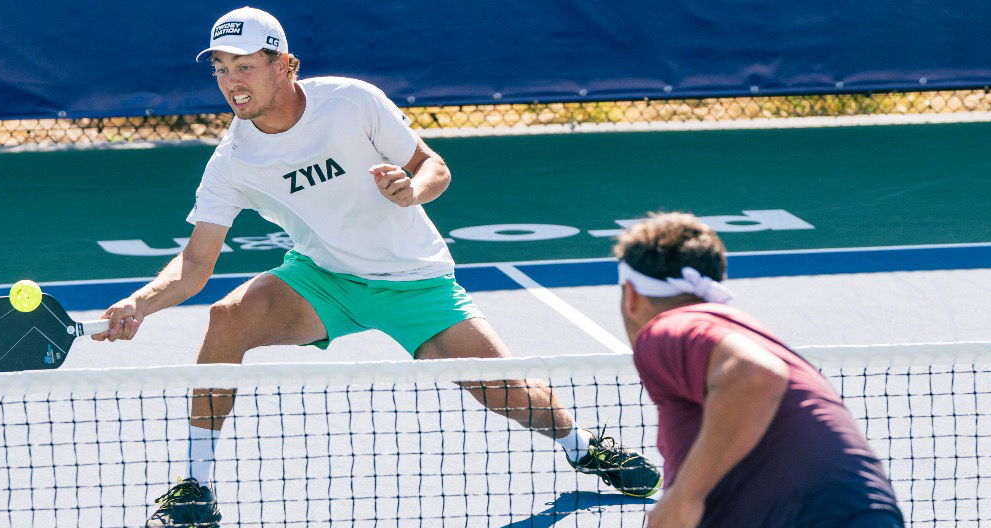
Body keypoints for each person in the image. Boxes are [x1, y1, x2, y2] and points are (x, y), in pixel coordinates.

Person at [90, 6, 661, 527]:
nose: (231, 82)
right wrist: (139, 304)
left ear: (285, 64)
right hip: (323, 279)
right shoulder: (234, 160)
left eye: (245, 66)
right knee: (228, 316)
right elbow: (194, 264)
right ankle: (195, 485)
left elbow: (432, 164)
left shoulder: (351, 101)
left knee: (505, 391)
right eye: (220, 68)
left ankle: (583, 446)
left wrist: (412, 191)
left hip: (414, 281)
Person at [614, 213, 904, 528]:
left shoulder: (670, 328)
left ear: (631, 294)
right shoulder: (732, 328)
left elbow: (754, 374)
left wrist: (683, 498)